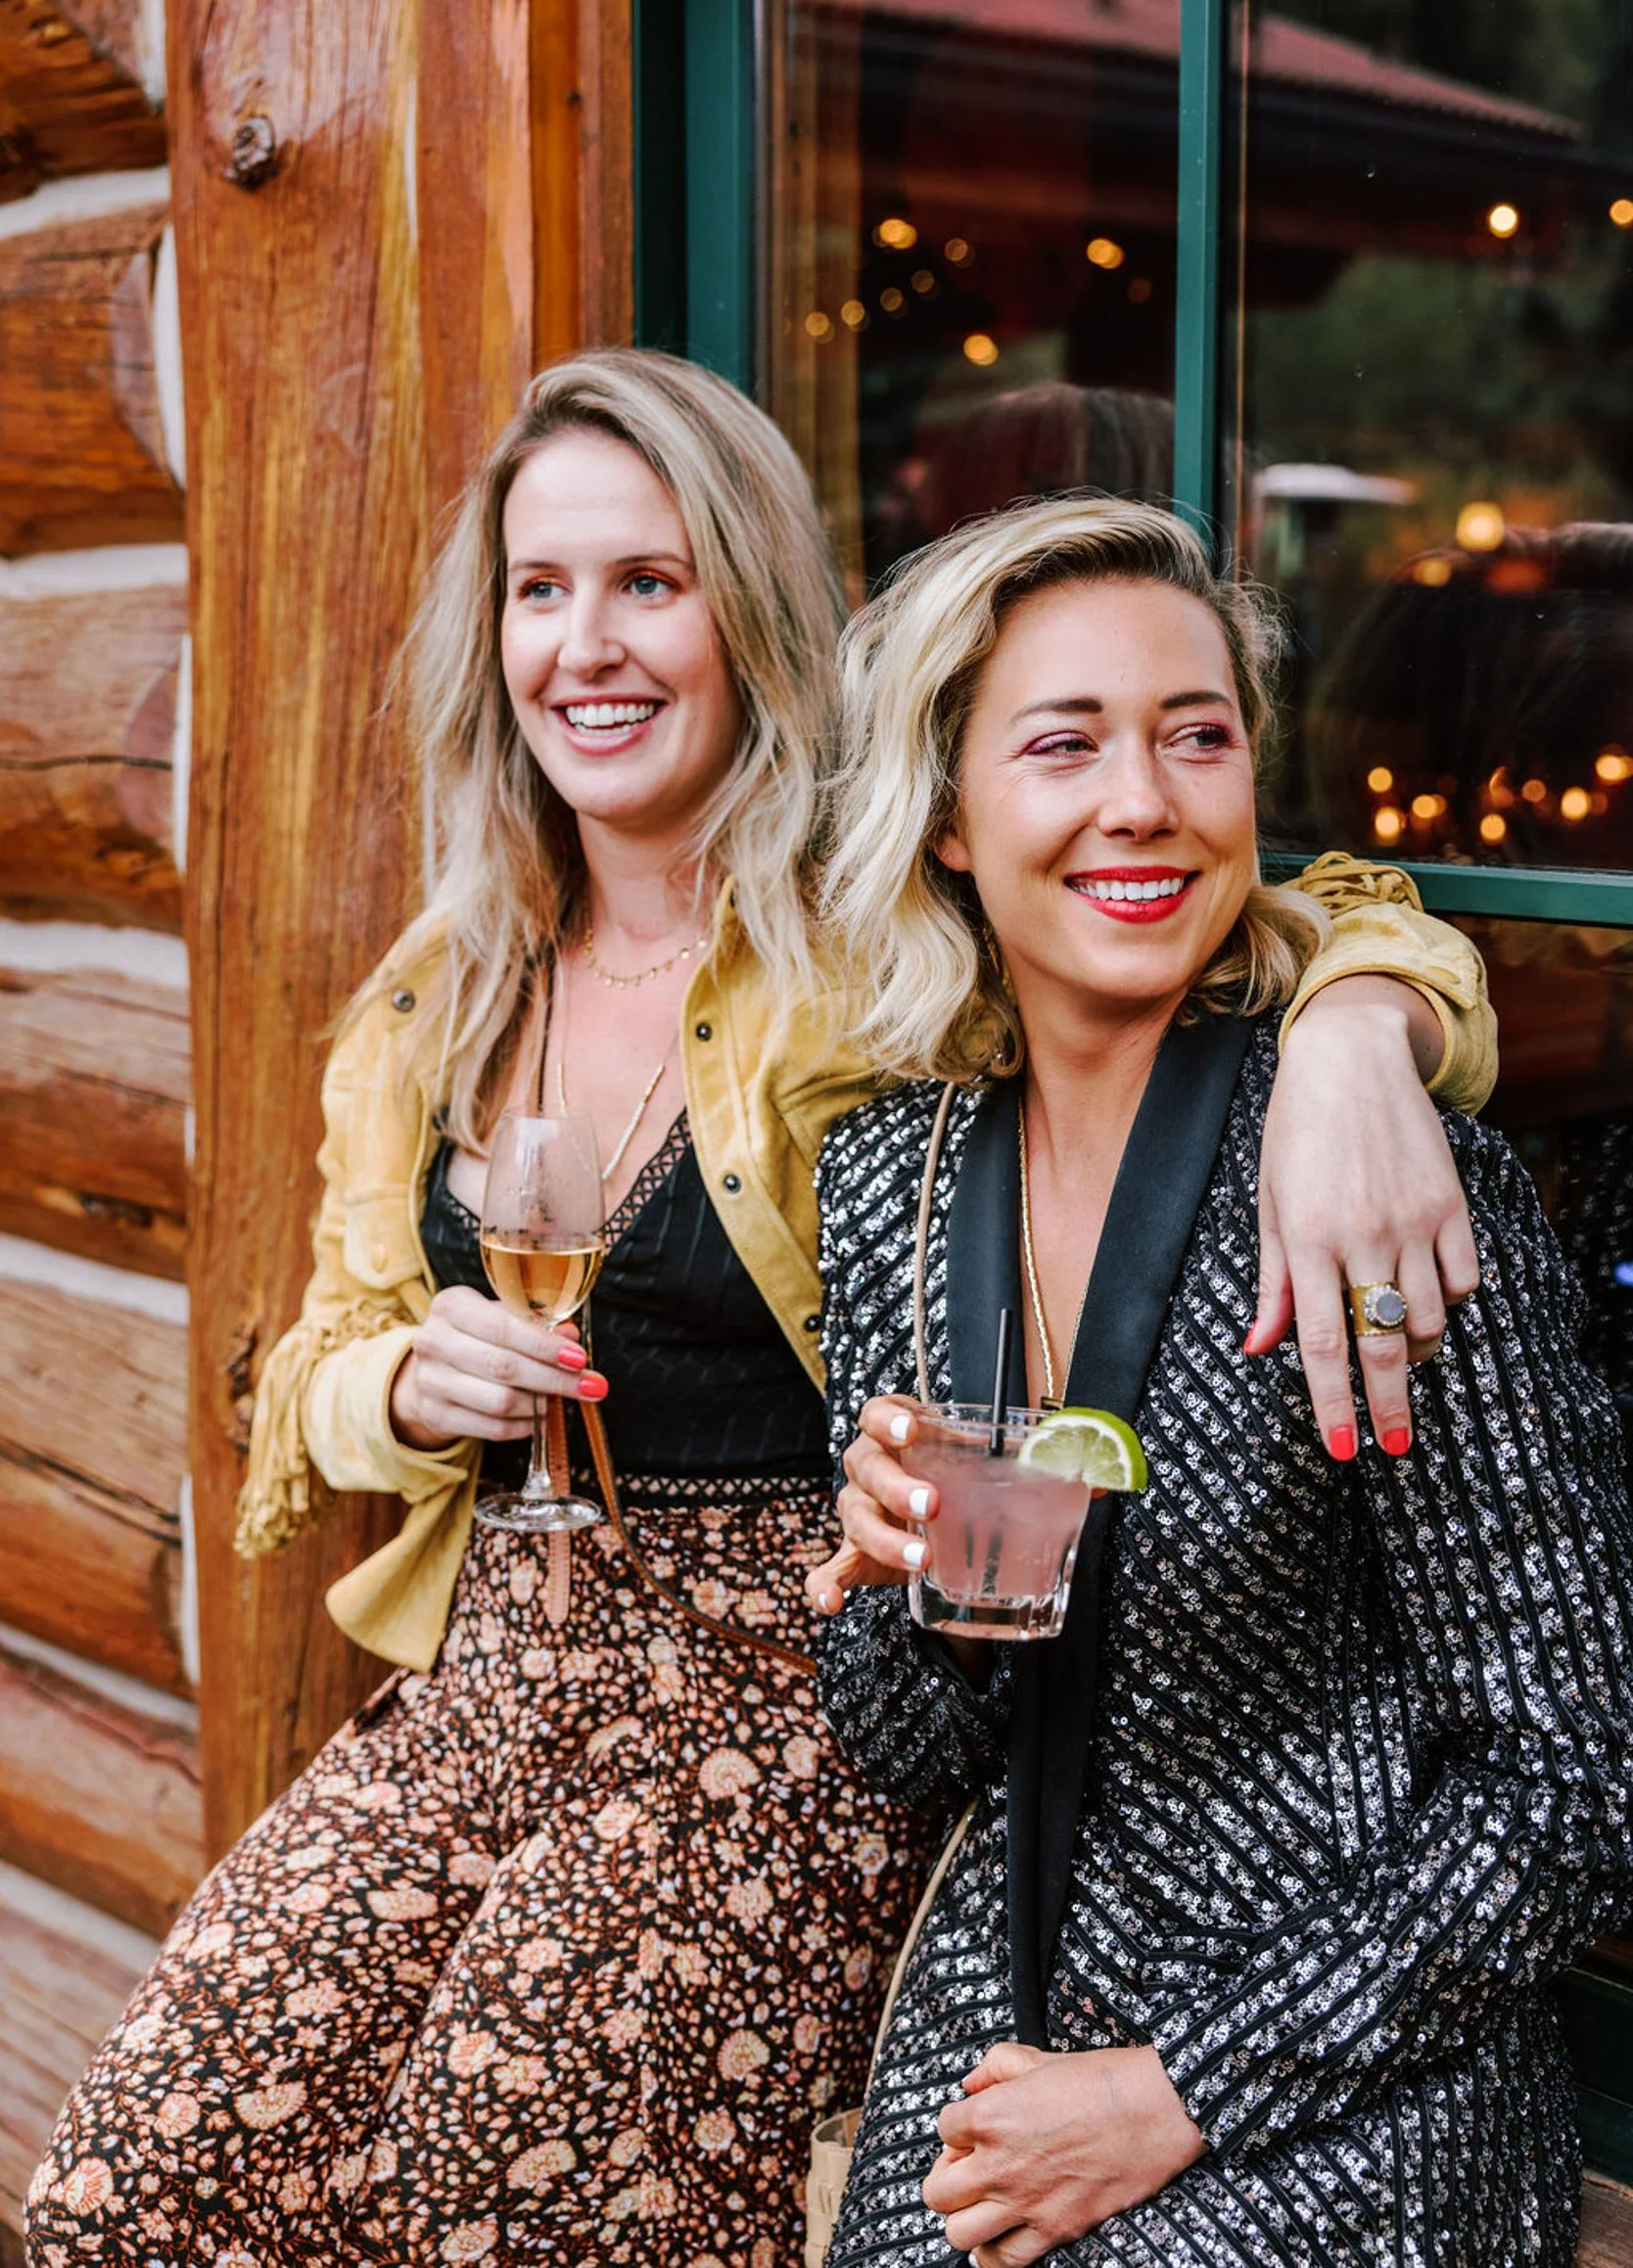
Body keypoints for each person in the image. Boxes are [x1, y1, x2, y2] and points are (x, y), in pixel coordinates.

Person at [30, 359, 1493, 2268]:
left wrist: (1371, 1036)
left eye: (652, 580)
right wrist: (395, 1375)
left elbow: (1274, 921)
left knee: (523, 2152)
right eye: (543, 591)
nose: (591, 644)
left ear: (747, 605)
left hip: (802, 1689)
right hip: (494, 1678)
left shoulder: (879, 927)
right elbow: (307, 1373)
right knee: (139, 2170)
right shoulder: (436, 984)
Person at [806, 495, 1633, 2266]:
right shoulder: (894, 1178)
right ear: (947, 819)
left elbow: (1569, 1784)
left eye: (1198, 737)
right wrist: (906, 1590)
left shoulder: (1375, 1178)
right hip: (1010, 2002)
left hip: (1358, 2050)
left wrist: (1179, 2086)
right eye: (1065, 743)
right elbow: (904, 1746)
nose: (1146, 802)